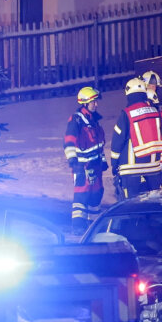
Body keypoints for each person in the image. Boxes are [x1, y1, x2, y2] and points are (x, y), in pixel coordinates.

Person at [110, 77, 162, 199]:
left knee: (131, 206)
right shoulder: (155, 112)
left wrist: (114, 164)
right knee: (152, 205)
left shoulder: (126, 113)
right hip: (153, 169)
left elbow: (117, 140)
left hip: (131, 169)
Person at [63, 86, 107, 233]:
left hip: (96, 166)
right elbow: (69, 141)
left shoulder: (93, 121)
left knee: (96, 195)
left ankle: (94, 227)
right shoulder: (76, 120)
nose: (96, 104)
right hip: (82, 166)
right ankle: (78, 227)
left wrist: (103, 160)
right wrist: (73, 161)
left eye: (96, 101)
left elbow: (99, 143)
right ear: (85, 103)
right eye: (93, 102)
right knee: (81, 196)